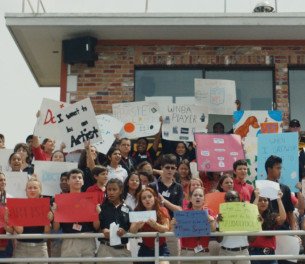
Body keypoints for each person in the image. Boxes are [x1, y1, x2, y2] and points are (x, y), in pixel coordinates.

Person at [53, 169, 100, 264]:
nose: (77, 179)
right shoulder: (60, 201)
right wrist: (55, 214)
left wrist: (97, 214)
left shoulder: (90, 200)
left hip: (88, 239)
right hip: (70, 240)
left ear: (83, 182)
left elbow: (96, 226)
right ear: (68, 181)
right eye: (74, 177)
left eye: (80, 177)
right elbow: (56, 228)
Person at [6, 178, 53, 263]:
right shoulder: (18, 207)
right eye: (30, 188)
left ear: (40, 190)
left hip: (40, 247)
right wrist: (9, 219)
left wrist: (48, 220)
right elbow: (19, 230)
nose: (32, 190)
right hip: (21, 248)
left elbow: (47, 231)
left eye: (35, 187)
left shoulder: (46, 206)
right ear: (26, 190)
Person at [149, 154, 183, 264]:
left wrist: (164, 201)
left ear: (176, 169)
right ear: (162, 167)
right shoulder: (153, 185)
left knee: (174, 260)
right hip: (155, 226)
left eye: (173, 168)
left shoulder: (178, 187)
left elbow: (179, 209)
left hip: (172, 227)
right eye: (167, 167)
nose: (170, 170)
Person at [130, 187, 170, 264]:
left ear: (154, 198)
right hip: (145, 248)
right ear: (141, 201)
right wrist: (137, 225)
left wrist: (156, 225)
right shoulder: (137, 211)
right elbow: (132, 231)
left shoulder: (162, 210)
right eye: (144, 198)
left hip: (161, 247)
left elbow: (166, 228)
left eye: (150, 196)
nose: (147, 199)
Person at [178, 187, 217, 264]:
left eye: (200, 195)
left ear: (204, 199)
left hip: (204, 252)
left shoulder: (209, 212)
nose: (198, 197)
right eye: (195, 195)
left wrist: (211, 220)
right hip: (187, 253)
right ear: (190, 199)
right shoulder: (184, 213)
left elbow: (213, 230)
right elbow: (179, 231)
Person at [97, 178, 132, 264]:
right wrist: (103, 230)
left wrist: (125, 231)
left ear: (120, 191)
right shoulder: (100, 208)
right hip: (105, 249)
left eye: (114, 189)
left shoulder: (128, 209)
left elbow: (133, 228)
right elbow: (95, 228)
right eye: (109, 189)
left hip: (123, 250)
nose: (111, 192)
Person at [249, 189, 286, 264]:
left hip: (270, 254)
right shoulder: (251, 216)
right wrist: (256, 197)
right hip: (254, 253)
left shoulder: (272, 216)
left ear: (268, 203)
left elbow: (282, 218)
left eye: (265, 200)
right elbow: (251, 212)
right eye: (260, 200)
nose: (263, 202)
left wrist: (279, 200)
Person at [217, 190, 251, 264]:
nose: (230, 200)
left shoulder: (248, 215)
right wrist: (219, 224)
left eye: (233, 198)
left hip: (243, 253)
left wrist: (257, 224)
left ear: (239, 200)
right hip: (224, 253)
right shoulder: (219, 216)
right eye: (227, 198)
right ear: (225, 201)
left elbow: (251, 240)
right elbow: (219, 240)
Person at [263, 155, 296, 230]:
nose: (280, 171)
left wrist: (294, 231)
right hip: (265, 232)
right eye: (277, 168)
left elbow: (290, 212)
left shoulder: (285, 189)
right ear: (269, 169)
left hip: (283, 230)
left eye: (280, 168)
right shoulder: (259, 188)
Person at [0, 172, 13, 259]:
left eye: (4, 180)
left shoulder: (11, 198)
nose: (3, 182)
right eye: (0, 180)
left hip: (7, 239)